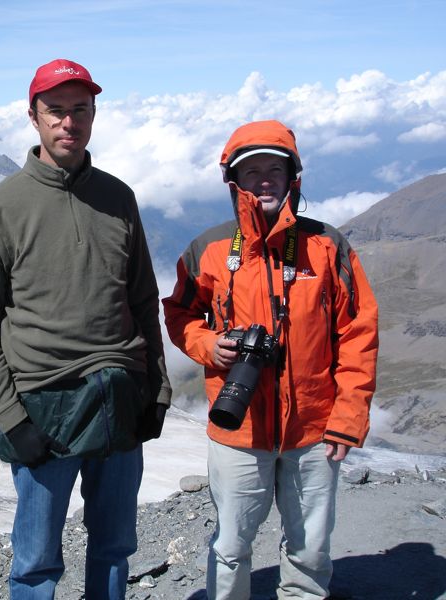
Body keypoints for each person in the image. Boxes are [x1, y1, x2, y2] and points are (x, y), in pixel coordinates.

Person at [0, 58, 172, 599]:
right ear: (33, 117)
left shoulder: (118, 197)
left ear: (94, 115)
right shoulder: (0, 209)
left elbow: (144, 299)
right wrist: (12, 418)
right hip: (43, 407)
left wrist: (157, 390)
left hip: (120, 394)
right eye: (55, 111)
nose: (68, 123)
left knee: (116, 545)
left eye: (80, 110)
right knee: (34, 560)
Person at [162, 119, 379, 600]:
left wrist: (347, 419)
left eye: (274, 170)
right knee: (232, 546)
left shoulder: (328, 246)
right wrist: (206, 346)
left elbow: (358, 333)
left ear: (291, 178)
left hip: (314, 429)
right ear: (234, 182)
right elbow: (179, 313)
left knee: (310, 550)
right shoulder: (209, 250)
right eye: (252, 170)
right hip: (238, 427)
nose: (263, 179)